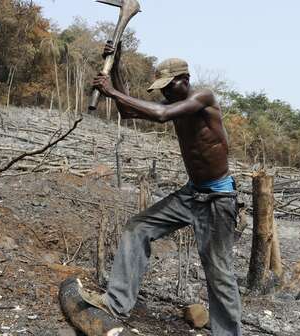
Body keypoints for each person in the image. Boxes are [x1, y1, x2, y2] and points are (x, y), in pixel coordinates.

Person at [79, 41, 242, 336]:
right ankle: (115, 303)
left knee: (219, 273)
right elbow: (128, 112)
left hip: (218, 199)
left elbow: (160, 114)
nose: (165, 92)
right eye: (162, 88)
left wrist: (111, 90)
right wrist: (114, 65)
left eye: (169, 86)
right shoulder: (172, 103)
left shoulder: (203, 98)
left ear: (185, 80)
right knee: (137, 228)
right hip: (192, 194)